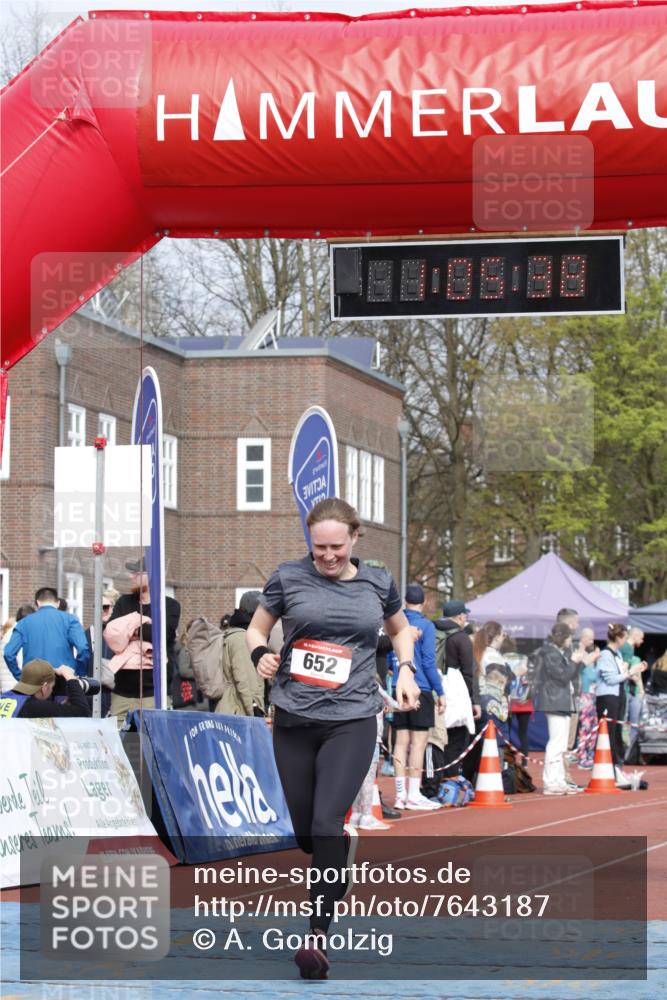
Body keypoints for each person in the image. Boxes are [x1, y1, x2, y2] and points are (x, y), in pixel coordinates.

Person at [246, 497, 419, 980]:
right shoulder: (287, 577)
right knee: (306, 833)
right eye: (319, 547)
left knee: (325, 823)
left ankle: (316, 938)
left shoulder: (378, 581)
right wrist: (262, 652)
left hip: (353, 718)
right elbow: (258, 628)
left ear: (355, 538)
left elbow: (401, 631)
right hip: (295, 717)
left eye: (336, 547)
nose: (327, 556)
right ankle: (336, 852)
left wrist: (405, 669)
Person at [389, 583, 445, 811]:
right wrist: (440, 692)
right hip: (420, 686)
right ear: (423, 604)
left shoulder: (396, 623)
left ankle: (400, 795)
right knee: (419, 743)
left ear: (404, 603)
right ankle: (413, 793)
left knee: (400, 742)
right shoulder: (426, 625)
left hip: (398, 686)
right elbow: (430, 662)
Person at [106, 561, 181, 714]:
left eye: (136, 573)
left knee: (152, 737)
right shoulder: (124, 602)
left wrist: (129, 630)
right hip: (122, 692)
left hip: (154, 693)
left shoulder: (169, 605)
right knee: (120, 737)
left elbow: (160, 635)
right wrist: (142, 629)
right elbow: (113, 634)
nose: (131, 576)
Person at [534, 623, 582, 796]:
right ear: (563, 637)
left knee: (561, 744)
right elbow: (562, 676)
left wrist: (577, 662)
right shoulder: (550, 653)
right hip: (554, 701)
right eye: (569, 637)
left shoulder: (557, 653)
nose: (571, 640)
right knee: (556, 743)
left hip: (562, 701)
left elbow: (569, 675)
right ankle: (550, 782)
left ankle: (559, 780)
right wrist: (575, 662)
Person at [3, 587, 89, 680]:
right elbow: (83, 648)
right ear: (58, 603)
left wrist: (20, 676)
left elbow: (8, 653)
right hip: (63, 679)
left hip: (34, 681)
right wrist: (79, 672)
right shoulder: (70, 620)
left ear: (37, 603)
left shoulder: (23, 623)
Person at [433, 600, 479, 774]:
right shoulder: (461, 637)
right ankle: (449, 781)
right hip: (456, 692)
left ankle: (432, 782)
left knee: (435, 738)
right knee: (456, 737)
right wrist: (474, 700)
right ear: (460, 616)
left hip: (434, 688)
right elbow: (469, 671)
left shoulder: (431, 631)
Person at [596, 623, 643, 786]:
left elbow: (619, 675)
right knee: (608, 735)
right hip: (608, 697)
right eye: (624, 637)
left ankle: (616, 770)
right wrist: (629, 672)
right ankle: (609, 771)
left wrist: (630, 674)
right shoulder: (606, 655)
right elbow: (610, 679)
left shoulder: (617, 654)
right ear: (619, 638)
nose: (626, 641)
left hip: (618, 695)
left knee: (616, 735)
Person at [217, 591, 266, 717]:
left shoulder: (233, 634)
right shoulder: (243, 638)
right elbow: (246, 682)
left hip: (230, 709)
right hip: (239, 712)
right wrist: (256, 712)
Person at [0, 659, 91, 718]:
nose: (52, 690)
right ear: (44, 688)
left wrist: (62, 706)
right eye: (51, 687)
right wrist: (70, 677)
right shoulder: (32, 707)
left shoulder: (4, 698)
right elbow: (82, 711)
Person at [85, 589, 118, 717]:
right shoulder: (88, 634)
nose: (102, 611)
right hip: (92, 694)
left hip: (114, 693)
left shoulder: (121, 634)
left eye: (106, 607)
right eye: (98, 607)